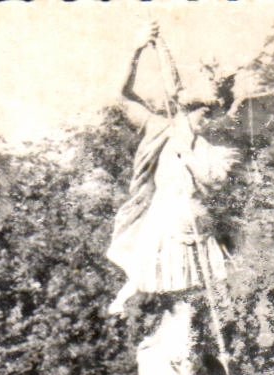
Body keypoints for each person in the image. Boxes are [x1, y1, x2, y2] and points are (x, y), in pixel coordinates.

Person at [106, 23, 236, 317]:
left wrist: (187, 153)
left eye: (206, 111)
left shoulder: (218, 143)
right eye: (195, 111)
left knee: (200, 306)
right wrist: (138, 49)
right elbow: (122, 95)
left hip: (197, 230)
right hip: (162, 224)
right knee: (154, 289)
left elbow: (215, 181)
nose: (200, 117)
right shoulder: (160, 128)